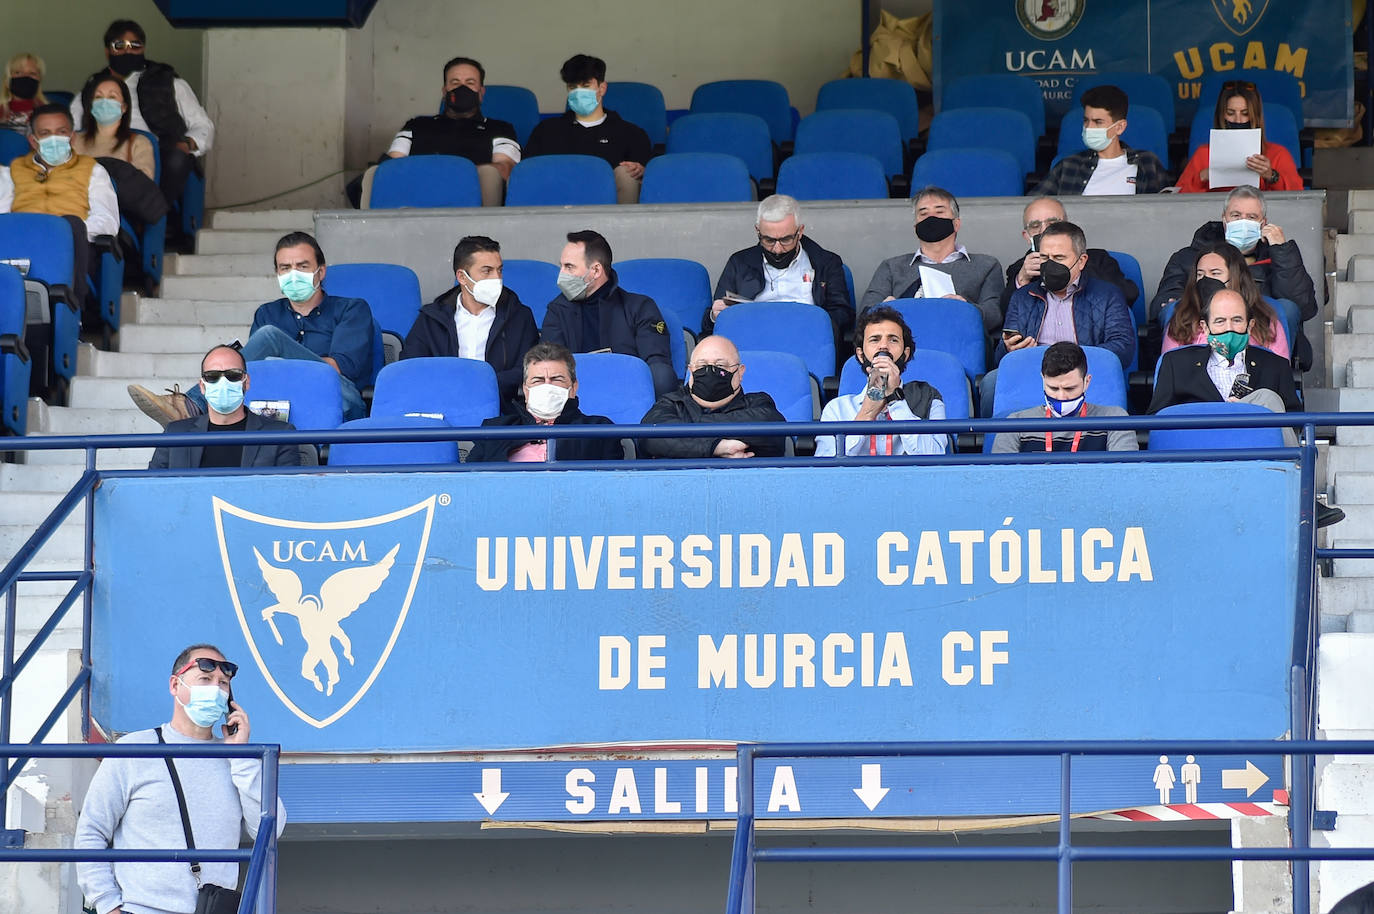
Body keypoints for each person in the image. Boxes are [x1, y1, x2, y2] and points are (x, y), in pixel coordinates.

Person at [74, 643, 286, 914]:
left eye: (223, 683)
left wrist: (241, 756)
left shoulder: (239, 760)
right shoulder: (134, 749)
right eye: (205, 679)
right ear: (175, 685)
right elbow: (91, 831)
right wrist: (108, 904)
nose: (215, 689)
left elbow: (270, 831)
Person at [128, 232, 373, 424]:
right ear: (277, 273)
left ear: (321, 271)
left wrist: (278, 358)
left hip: (339, 397)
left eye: (302, 266)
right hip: (278, 403)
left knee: (269, 339)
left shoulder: (351, 309)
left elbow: (343, 369)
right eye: (285, 268)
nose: (293, 274)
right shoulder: (267, 313)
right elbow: (258, 373)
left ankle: (189, 405)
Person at [1151, 186, 1317, 368]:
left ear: (1263, 223)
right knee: (1175, 309)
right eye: (1236, 216)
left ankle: (1276, 375)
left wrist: (1282, 252)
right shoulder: (1189, 257)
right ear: (1224, 220)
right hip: (1197, 338)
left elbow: (1301, 305)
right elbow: (1164, 302)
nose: (1243, 222)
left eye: (1252, 217)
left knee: (1285, 308)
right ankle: (1179, 374)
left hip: (1259, 341)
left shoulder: (1277, 257)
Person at [985, 220, 1135, 416]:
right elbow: (1001, 359)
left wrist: (1074, 363)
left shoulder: (1107, 294)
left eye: (1059, 257)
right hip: (1034, 373)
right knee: (991, 382)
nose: (1051, 264)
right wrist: (1009, 349)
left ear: (1081, 261)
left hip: (1084, 375)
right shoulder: (1023, 297)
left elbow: (1122, 347)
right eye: (1045, 257)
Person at [71, 19, 215, 210]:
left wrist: (187, 143)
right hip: (102, 151)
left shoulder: (168, 82)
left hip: (157, 153)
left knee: (177, 159)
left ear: (143, 48)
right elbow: (71, 129)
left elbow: (204, 126)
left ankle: (154, 217)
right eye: (119, 45)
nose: (127, 51)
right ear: (107, 51)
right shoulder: (92, 88)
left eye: (135, 45)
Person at [0, 104, 120, 298]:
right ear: (33, 140)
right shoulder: (12, 171)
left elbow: (108, 222)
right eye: (45, 133)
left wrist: (60, 232)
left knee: (71, 223)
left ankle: (73, 311)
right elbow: (3, 217)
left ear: (72, 137)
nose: (54, 139)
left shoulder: (93, 170)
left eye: (61, 132)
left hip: (73, 246)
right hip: (24, 245)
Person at [703, 194, 852, 349]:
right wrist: (715, 315)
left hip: (807, 342)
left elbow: (842, 314)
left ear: (800, 232)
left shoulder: (826, 263)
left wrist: (809, 321)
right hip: (752, 344)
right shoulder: (739, 263)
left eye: (786, 240)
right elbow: (711, 323)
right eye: (769, 240)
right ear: (757, 231)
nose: (777, 249)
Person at [401, 234, 539, 402]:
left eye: (499, 270)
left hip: (500, 408)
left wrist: (484, 385)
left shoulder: (519, 316)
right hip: (443, 404)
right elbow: (411, 366)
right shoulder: (432, 318)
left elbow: (528, 368)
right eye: (487, 271)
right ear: (462, 277)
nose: (496, 278)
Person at [541, 229, 676, 396]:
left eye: (569, 267)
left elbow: (657, 368)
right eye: (561, 266)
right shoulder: (557, 310)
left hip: (630, 398)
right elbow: (549, 369)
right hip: (573, 403)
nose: (561, 275)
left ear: (596, 271)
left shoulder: (640, 307)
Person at [859, 186, 1005, 333]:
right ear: (915, 227)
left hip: (958, 340)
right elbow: (863, 315)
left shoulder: (986, 265)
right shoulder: (891, 267)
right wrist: (882, 311)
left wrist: (966, 309)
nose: (931, 218)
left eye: (939, 212)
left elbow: (995, 315)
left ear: (956, 224)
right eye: (923, 213)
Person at [385, 56, 520, 207]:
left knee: (489, 175)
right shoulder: (416, 125)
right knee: (374, 175)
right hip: (417, 195)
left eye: (470, 83)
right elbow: (392, 164)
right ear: (444, 92)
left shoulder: (500, 128)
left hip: (472, 199)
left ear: (481, 92)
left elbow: (505, 169)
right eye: (455, 83)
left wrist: (454, 174)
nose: (462, 88)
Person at [815, 305, 948, 457]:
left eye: (893, 340)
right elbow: (826, 469)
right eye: (874, 339)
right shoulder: (837, 409)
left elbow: (935, 458)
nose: (883, 346)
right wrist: (866, 413)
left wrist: (895, 399)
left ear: (905, 354)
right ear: (860, 355)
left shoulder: (928, 398)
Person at [1148, 288, 1301, 420]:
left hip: (1255, 448)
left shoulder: (1276, 365)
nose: (1229, 328)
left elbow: (1294, 423)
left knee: (1268, 399)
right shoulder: (1176, 364)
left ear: (1250, 325)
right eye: (1220, 321)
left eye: (1237, 320)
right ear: (1206, 327)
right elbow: (1157, 418)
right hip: (1196, 447)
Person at [523, 54, 652, 204]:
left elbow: (644, 178)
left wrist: (640, 171)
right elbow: (527, 173)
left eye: (585, 86)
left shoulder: (631, 133)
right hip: (555, 205)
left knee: (626, 173)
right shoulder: (546, 130)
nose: (578, 93)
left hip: (607, 214)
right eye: (572, 87)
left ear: (602, 88)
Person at [148, 345, 301, 469]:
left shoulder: (279, 435)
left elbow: (286, 495)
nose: (223, 383)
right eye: (212, 376)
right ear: (202, 386)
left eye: (233, 375)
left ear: (246, 382)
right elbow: (151, 490)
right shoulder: (175, 433)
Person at [467, 343, 622, 463]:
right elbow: (469, 484)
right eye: (538, 380)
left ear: (573, 387)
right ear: (526, 390)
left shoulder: (599, 430)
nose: (547, 386)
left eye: (556, 379)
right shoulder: (495, 430)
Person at [638, 334, 786, 459]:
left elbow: (771, 428)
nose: (710, 372)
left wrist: (692, 424)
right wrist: (718, 447)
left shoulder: (757, 402)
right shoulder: (671, 403)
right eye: (702, 366)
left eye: (720, 366)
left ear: (740, 372)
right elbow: (651, 436)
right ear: (691, 371)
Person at [999, 196, 1138, 318]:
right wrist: (1022, 279)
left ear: (1068, 226)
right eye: (1035, 225)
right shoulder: (1019, 268)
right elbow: (1006, 315)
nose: (1044, 230)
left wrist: (1077, 266)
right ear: (1027, 236)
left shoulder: (1098, 259)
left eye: (1053, 223)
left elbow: (1127, 296)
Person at [991, 342, 1138, 453]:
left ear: (1087, 382)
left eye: (1070, 388)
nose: (1061, 396)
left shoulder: (1114, 418)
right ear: (1043, 380)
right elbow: (1001, 482)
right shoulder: (1015, 423)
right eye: (1053, 388)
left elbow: (1123, 477)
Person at [1031, 85, 1169, 195]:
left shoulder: (1147, 162)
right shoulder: (1068, 165)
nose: (1089, 127)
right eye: (1086, 120)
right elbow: (1030, 206)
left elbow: (1166, 210)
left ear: (1120, 127)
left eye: (1098, 122)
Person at [1163, 244, 1288, 359]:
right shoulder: (1181, 320)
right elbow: (1168, 370)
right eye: (1200, 274)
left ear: (1236, 277)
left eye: (1215, 273)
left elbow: (1279, 372)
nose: (1206, 280)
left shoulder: (1266, 323)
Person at [1174, 80, 1301, 194]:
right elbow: (1177, 203)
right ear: (1221, 115)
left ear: (1255, 117)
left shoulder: (1278, 154)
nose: (1238, 120)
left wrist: (1271, 175)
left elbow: (1301, 200)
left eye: (1245, 113)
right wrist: (1202, 176)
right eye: (1230, 113)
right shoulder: (1204, 154)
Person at [72, 71, 156, 180]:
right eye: (98, 97)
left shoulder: (139, 143)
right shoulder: (74, 141)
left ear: (124, 107)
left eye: (112, 97)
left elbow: (144, 186)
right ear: (90, 105)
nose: (104, 102)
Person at [1, 53, 48, 133]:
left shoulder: (49, 112)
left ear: (39, 79)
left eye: (32, 73)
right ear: (8, 79)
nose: (25, 76)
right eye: (18, 72)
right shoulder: (1, 110)